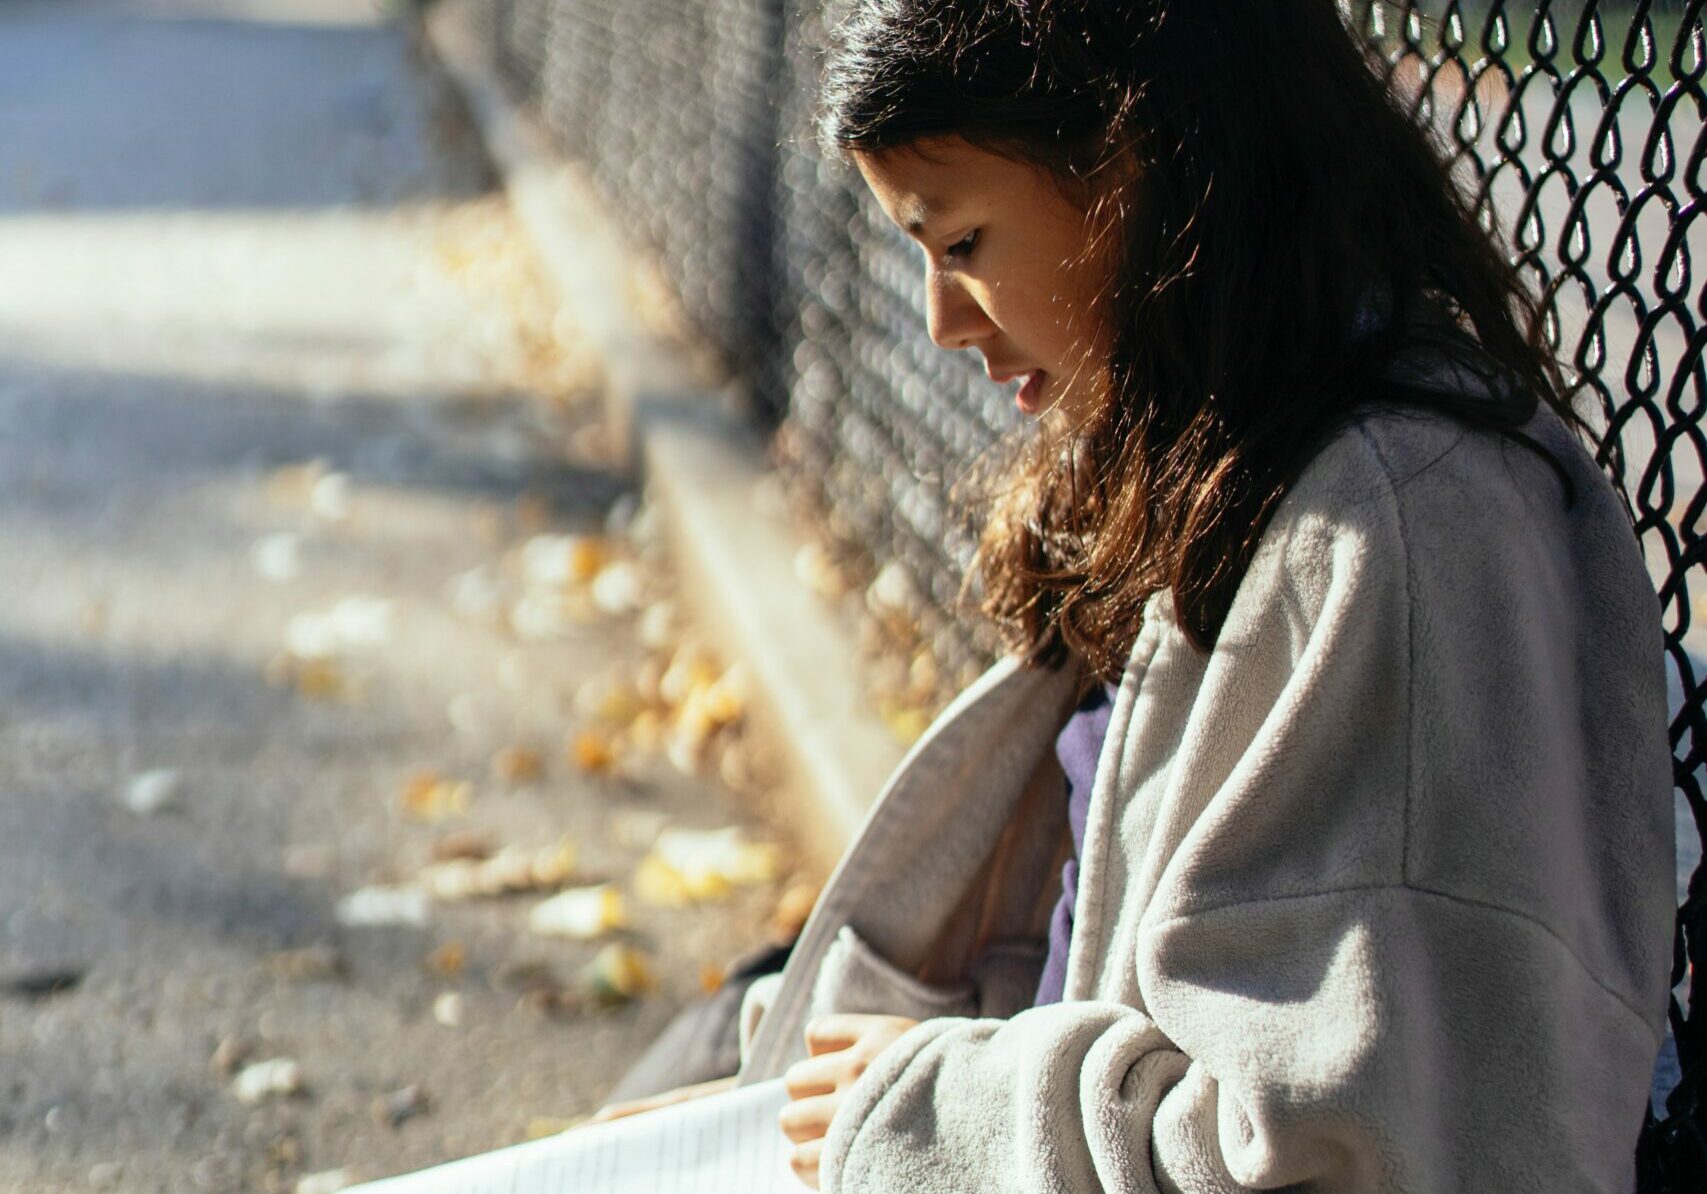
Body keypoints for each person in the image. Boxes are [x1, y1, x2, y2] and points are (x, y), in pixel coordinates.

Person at [595, 2, 1677, 1190]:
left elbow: (1356, 1150)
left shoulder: (1396, 532)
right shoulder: (1217, 451)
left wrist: (936, 1107)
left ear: (1141, 167)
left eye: (959, 244)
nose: (940, 320)